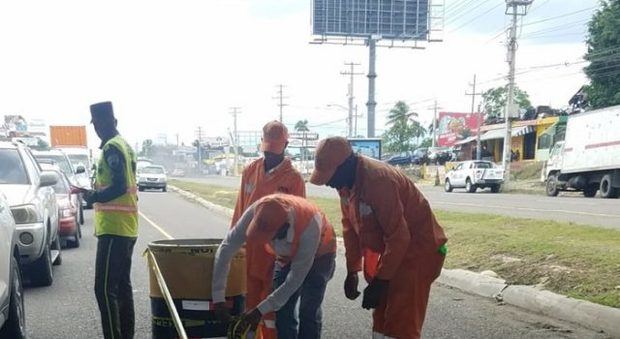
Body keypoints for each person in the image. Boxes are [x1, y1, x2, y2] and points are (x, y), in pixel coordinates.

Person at [310, 137, 448, 339]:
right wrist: (352, 270)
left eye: (331, 176)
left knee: (401, 322)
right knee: (381, 317)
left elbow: (400, 237)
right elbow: (349, 228)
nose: (329, 183)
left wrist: (381, 281)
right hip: (393, 252)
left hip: (418, 252)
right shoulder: (346, 184)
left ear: (347, 164)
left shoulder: (378, 180)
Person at [212, 194, 336, 339]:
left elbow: (295, 280)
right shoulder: (258, 210)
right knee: (282, 310)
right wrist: (218, 297)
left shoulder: (310, 225)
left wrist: (259, 310)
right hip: (286, 257)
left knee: (308, 310)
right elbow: (227, 248)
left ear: (284, 227)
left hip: (320, 256)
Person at [230, 120, 306, 338]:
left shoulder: (293, 179)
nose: (270, 155)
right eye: (267, 149)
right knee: (250, 306)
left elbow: (298, 221)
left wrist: (289, 255)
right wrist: (234, 243)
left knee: (272, 310)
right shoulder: (250, 171)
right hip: (250, 253)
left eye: (275, 150)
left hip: (276, 256)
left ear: (286, 145)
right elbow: (240, 210)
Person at [83, 101, 138, 339]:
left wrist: (93, 196)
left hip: (115, 229)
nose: (97, 128)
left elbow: (119, 186)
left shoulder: (112, 149)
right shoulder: (123, 145)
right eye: (95, 124)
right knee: (122, 288)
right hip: (125, 228)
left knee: (104, 289)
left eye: (99, 123)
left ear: (110, 123)